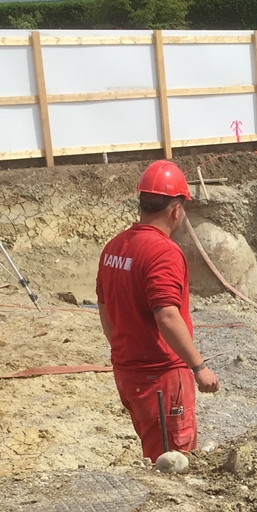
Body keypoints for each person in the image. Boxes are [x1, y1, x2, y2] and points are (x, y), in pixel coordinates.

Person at [96, 160, 219, 462]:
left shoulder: (115, 247)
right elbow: (166, 315)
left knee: (155, 451)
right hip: (161, 377)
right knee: (172, 460)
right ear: (175, 209)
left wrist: (123, 347)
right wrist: (199, 367)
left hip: (128, 372)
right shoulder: (162, 252)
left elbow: (103, 305)